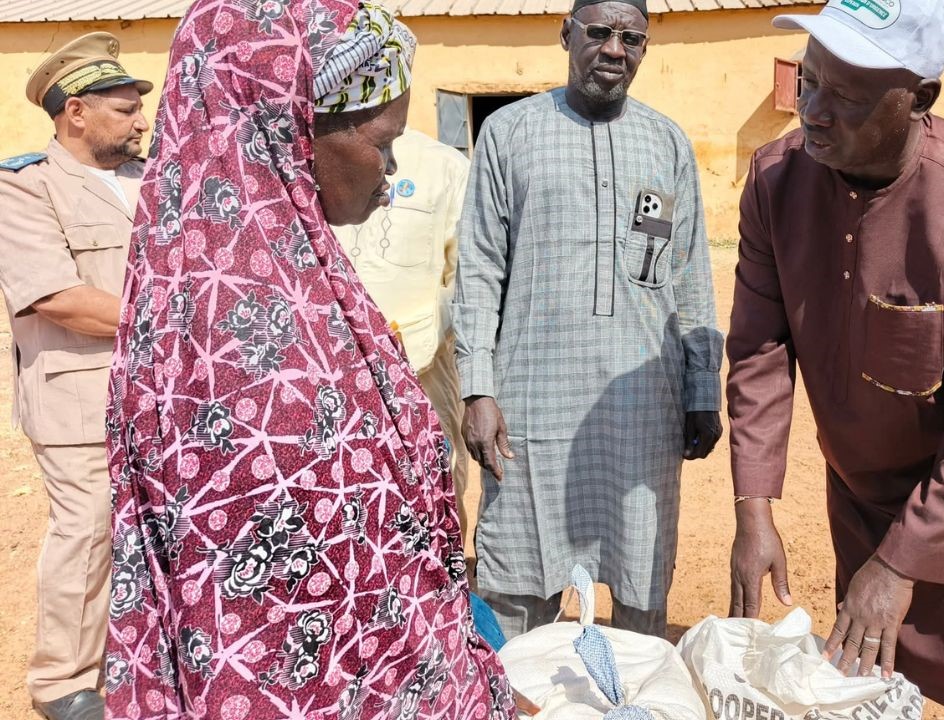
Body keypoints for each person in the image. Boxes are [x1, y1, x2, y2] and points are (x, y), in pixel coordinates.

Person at [101, 2, 515, 718]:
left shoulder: (280, 271)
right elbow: (265, 637)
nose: (390, 172)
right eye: (382, 143)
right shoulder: (235, 335)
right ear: (290, 130)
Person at [725, 1, 944, 718]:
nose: (814, 111)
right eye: (808, 82)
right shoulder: (775, 181)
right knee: (872, 686)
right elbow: (758, 349)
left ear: (921, 100)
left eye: (846, 96)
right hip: (862, 494)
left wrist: (904, 561)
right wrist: (754, 509)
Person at [454, 0, 723, 640]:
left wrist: (701, 390)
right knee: (517, 585)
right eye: (598, 32)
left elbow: (687, 274)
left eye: (631, 37)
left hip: (640, 406)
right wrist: (478, 387)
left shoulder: (666, 142)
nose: (613, 49)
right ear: (566, 35)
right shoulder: (510, 133)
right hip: (529, 403)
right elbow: (480, 266)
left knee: (641, 578)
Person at [0, 31, 151, 720]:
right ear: (76, 112)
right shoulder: (21, 188)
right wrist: (177, 323)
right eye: (124, 109)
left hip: (162, 395)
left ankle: (142, 658)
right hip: (77, 397)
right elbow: (56, 296)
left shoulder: (150, 181)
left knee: (157, 532)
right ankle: (63, 682)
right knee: (89, 533)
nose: (141, 121)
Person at [333, 130, 473, 532]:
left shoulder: (444, 166)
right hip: (334, 370)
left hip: (424, 370)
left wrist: (415, 342)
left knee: (434, 493)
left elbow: (463, 278)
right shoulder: (314, 150)